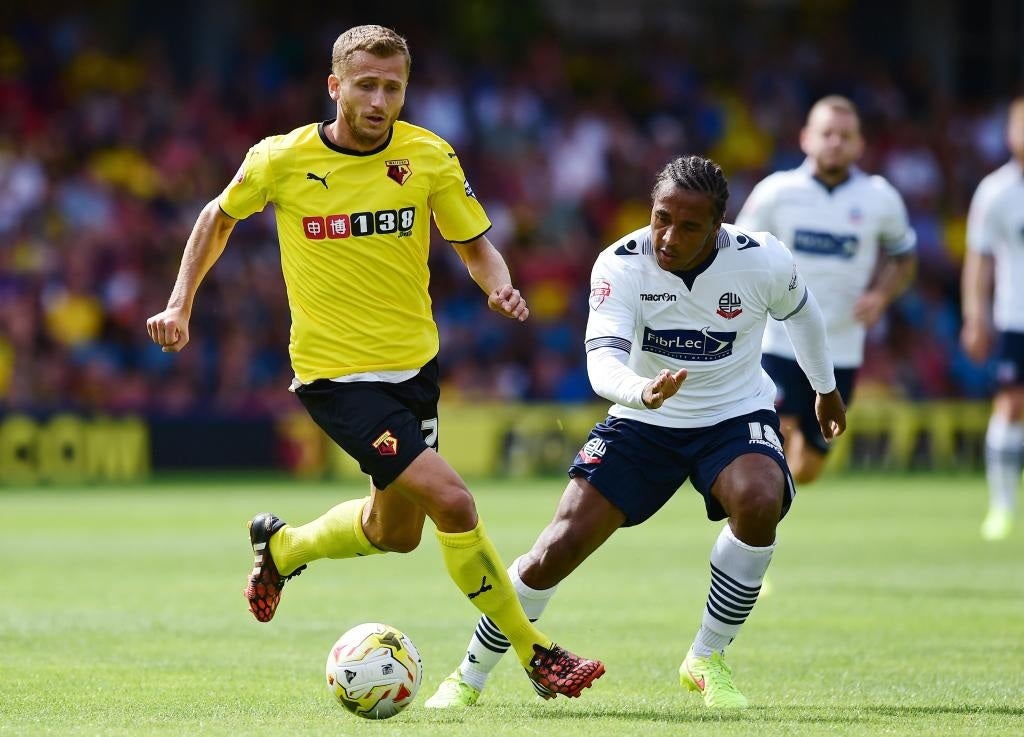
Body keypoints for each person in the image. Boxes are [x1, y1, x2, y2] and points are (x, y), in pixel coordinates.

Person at [145, 24, 604, 699]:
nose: (379, 99)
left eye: (393, 88)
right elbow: (217, 217)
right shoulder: (280, 159)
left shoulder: (429, 156)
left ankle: (283, 548)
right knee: (454, 500)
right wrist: (179, 302)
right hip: (337, 379)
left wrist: (497, 284)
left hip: (413, 371)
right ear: (335, 86)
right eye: (366, 85)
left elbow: (475, 244)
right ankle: (538, 654)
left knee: (396, 533)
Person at [424, 154, 846, 710]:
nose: (668, 236)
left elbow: (805, 314)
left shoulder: (762, 259)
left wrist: (825, 387)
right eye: (660, 217)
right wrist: (640, 392)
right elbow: (601, 362)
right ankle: (468, 676)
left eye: (689, 226)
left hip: (733, 414)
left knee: (760, 499)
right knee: (558, 546)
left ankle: (706, 657)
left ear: (718, 227)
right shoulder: (620, 265)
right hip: (642, 418)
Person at [735, 95, 916, 484]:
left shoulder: (879, 198)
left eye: (845, 135)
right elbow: (737, 254)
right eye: (827, 133)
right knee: (771, 448)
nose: (835, 142)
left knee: (809, 469)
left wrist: (881, 295)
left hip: (842, 348)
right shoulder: (776, 192)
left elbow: (904, 256)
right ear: (806, 138)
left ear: (859, 144)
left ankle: (766, 509)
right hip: (780, 343)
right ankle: (754, 525)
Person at [961, 97, 1024, 542]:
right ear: (1010, 133)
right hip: (1016, 316)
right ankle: (1001, 508)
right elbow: (980, 260)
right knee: (1011, 405)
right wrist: (975, 316)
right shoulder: (996, 191)